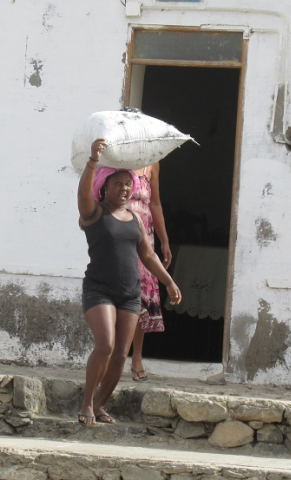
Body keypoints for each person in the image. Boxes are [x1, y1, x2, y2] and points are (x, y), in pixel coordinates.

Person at [77, 138, 181, 425]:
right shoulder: (93, 212)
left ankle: (100, 405)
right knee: (106, 345)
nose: (124, 189)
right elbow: (82, 193)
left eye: (127, 184)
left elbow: (148, 255)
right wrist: (92, 160)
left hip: (129, 295)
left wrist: (169, 282)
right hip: (99, 290)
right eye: (117, 184)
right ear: (104, 187)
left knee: (121, 354)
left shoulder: (134, 217)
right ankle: (86, 403)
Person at [127, 162, 172, 382]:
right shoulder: (117, 161)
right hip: (120, 236)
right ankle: (112, 355)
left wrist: (164, 240)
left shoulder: (152, 165)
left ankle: (136, 357)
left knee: (141, 296)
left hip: (144, 239)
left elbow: (155, 204)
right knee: (119, 295)